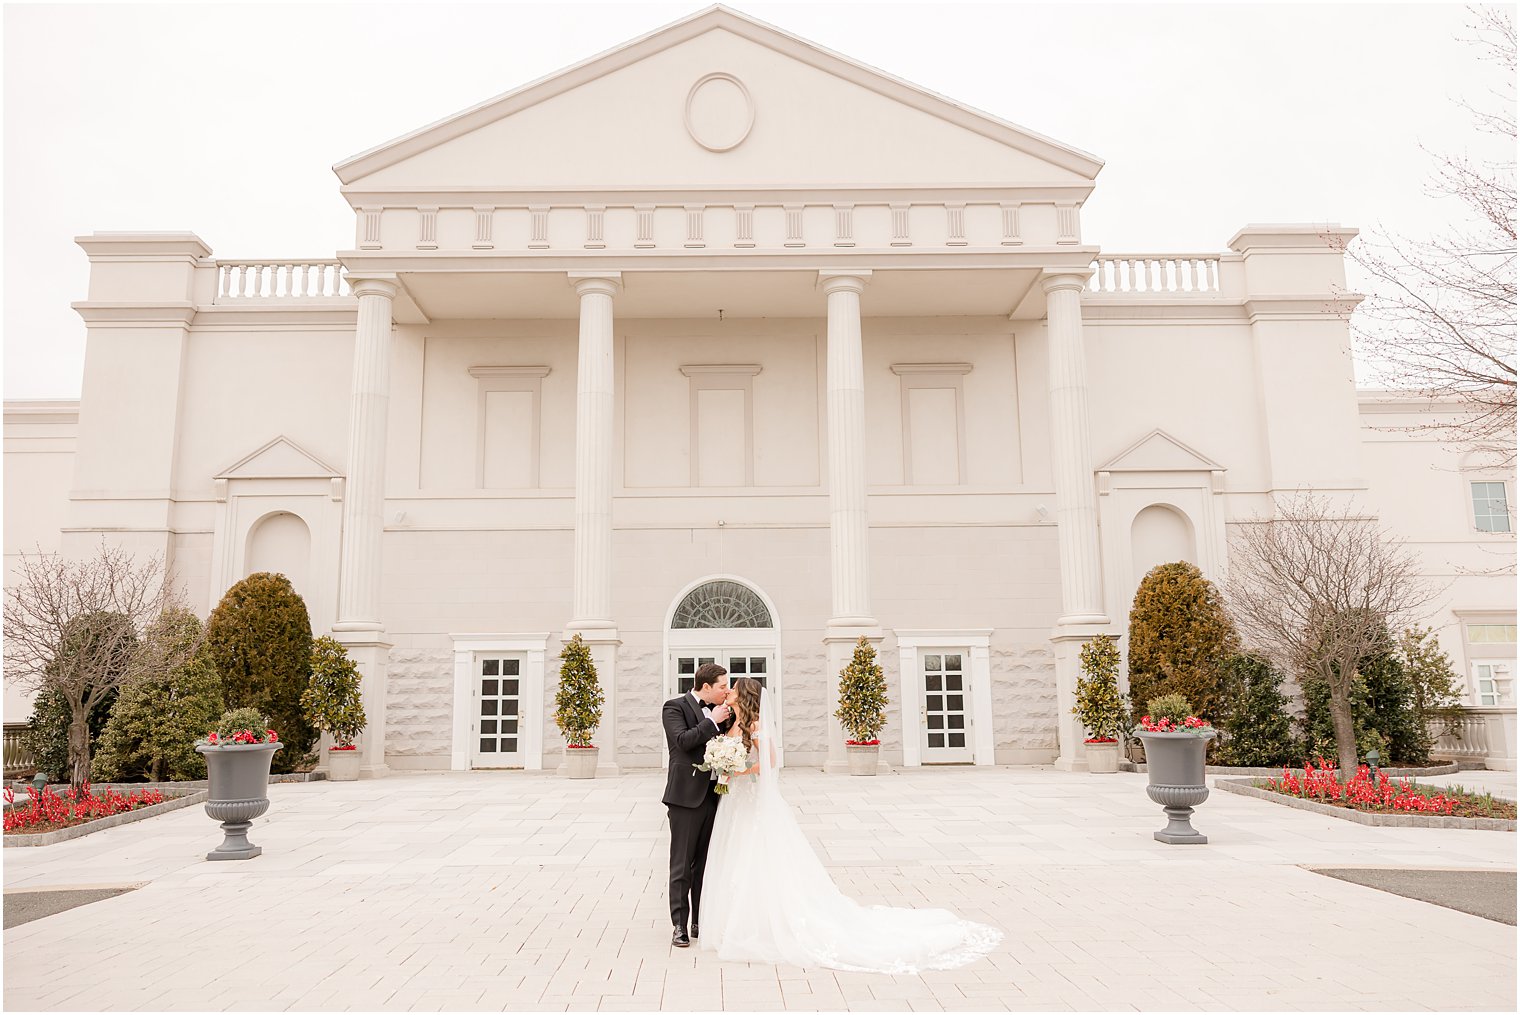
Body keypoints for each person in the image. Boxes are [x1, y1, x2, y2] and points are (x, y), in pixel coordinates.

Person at [698, 677, 1002, 972]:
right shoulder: (733, 723)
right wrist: (724, 765)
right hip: (735, 803)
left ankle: (765, 924)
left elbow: (771, 762)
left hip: (753, 801)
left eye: (733, 688)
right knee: (736, 857)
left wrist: (740, 770)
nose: (729, 692)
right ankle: (740, 921)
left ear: (745, 695)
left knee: (758, 857)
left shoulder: (755, 725)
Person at [661, 662, 733, 948]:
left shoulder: (725, 713)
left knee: (705, 863)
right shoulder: (674, 707)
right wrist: (712, 721)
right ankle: (679, 924)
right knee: (682, 865)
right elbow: (682, 742)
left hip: (715, 795)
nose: (726, 691)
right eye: (722, 687)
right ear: (706, 687)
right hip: (685, 797)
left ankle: (699, 921)